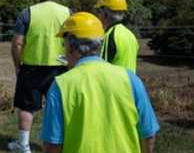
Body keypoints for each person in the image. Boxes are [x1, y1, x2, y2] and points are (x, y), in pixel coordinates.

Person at [42, 12, 160, 153]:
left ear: (71, 47)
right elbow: (148, 134)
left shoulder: (61, 85)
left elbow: (53, 145)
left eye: (63, 44)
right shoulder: (130, 79)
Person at [8, 0, 71, 153]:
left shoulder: (28, 13)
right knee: (59, 108)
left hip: (31, 67)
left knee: (27, 107)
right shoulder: (67, 12)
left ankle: (23, 145)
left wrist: (17, 66)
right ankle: (60, 144)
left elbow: (17, 43)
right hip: (60, 68)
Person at [94, 0, 139, 72]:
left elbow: (101, 68)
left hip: (114, 83)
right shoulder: (130, 34)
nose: (98, 15)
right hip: (129, 82)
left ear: (105, 13)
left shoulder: (110, 35)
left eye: (99, 11)